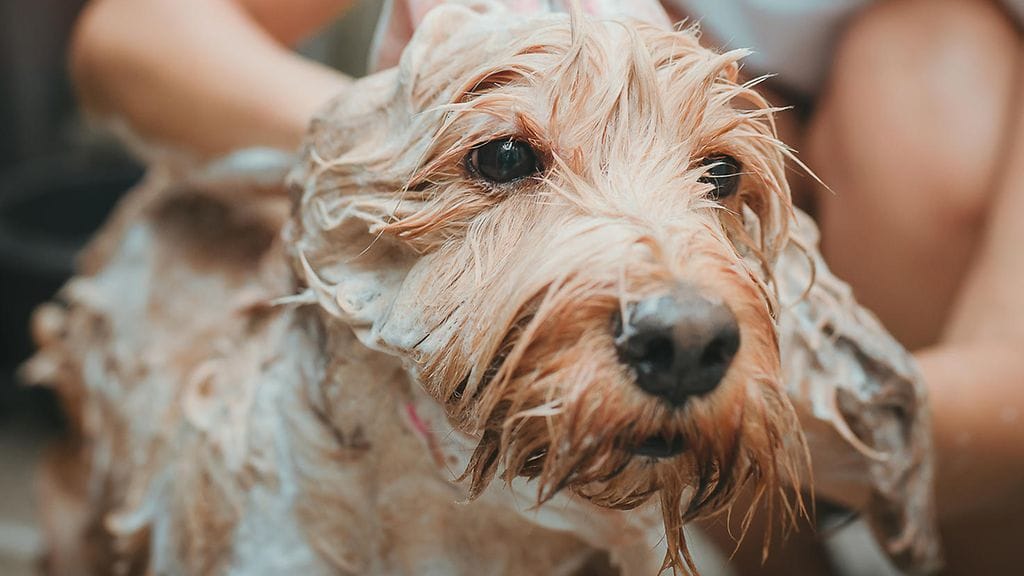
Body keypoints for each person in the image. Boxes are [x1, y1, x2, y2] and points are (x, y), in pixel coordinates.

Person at [71, 0, 1024, 574]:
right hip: (728, 107)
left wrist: (818, 416)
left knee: (932, 85)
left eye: (717, 175)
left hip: (899, 135)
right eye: (507, 160)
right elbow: (130, 33)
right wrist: (406, 132)